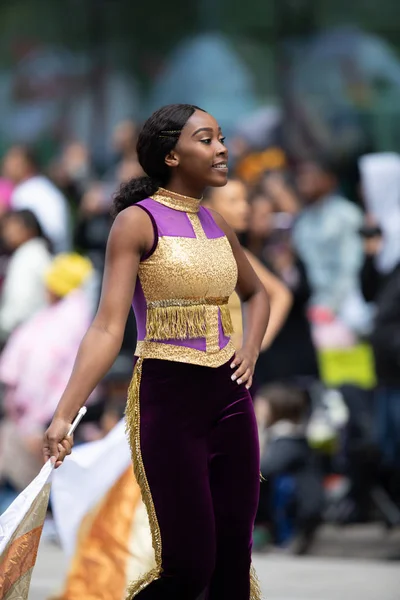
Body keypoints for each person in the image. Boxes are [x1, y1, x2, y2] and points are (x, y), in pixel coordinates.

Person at [43, 104, 270, 600]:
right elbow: (107, 328)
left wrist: (249, 349)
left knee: (233, 565)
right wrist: (64, 414)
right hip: (168, 400)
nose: (222, 148)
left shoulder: (217, 224)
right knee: (190, 567)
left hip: (231, 399)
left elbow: (259, 293)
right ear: (171, 154)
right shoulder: (136, 222)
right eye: (206, 139)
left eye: (221, 138)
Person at [0, 253, 94, 500]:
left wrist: (31, 421)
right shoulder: (72, 317)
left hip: (42, 416)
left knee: (26, 495)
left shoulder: (56, 323)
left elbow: (36, 371)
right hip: (53, 414)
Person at [202, 178, 292, 352]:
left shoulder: (235, 253)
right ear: (207, 206)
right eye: (233, 201)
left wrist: (253, 345)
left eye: (245, 200)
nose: (245, 208)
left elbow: (281, 295)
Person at [254, 384, 323, 554]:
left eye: (261, 406)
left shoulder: (289, 439)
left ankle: (280, 534)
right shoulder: (280, 435)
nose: (255, 410)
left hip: (302, 505)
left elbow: (263, 468)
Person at [2, 145, 71, 253]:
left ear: (27, 165)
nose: (6, 165)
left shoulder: (26, 191)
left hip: (43, 255)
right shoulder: (43, 186)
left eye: (13, 161)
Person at [0, 209, 52, 343]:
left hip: (21, 335)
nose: (7, 231)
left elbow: (19, 305)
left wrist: (4, 327)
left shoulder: (28, 256)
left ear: (29, 229)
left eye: (13, 225)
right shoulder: (38, 252)